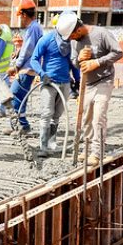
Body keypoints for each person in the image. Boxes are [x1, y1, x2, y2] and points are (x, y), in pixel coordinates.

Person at [69, 17, 123, 165]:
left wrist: (97, 62)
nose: (72, 39)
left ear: (78, 30)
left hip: (104, 80)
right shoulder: (75, 42)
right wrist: (78, 58)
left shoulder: (101, 34)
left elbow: (118, 52)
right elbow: (74, 61)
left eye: (72, 35)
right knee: (86, 117)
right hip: (87, 83)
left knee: (98, 116)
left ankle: (96, 153)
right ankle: (86, 149)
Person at [29, 11, 78, 158]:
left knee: (56, 115)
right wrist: (42, 74)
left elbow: (74, 64)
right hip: (49, 84)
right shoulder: (47, 39)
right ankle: (43, 146)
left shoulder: (71, 42)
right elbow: (34, 59)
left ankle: (52, 142)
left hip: (65, 83)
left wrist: (78, 80)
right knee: (46, 113)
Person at [3, 0, 44, 135]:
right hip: (29, 68)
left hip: (26, 69)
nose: (20, 19)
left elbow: (28, 50)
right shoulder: (35, 27)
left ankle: (22, 126)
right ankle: (18, 126)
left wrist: (16, 65)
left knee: (14, 95)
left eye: (20, 16)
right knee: (21, 98)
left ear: (24, 15)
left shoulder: (32, 28)